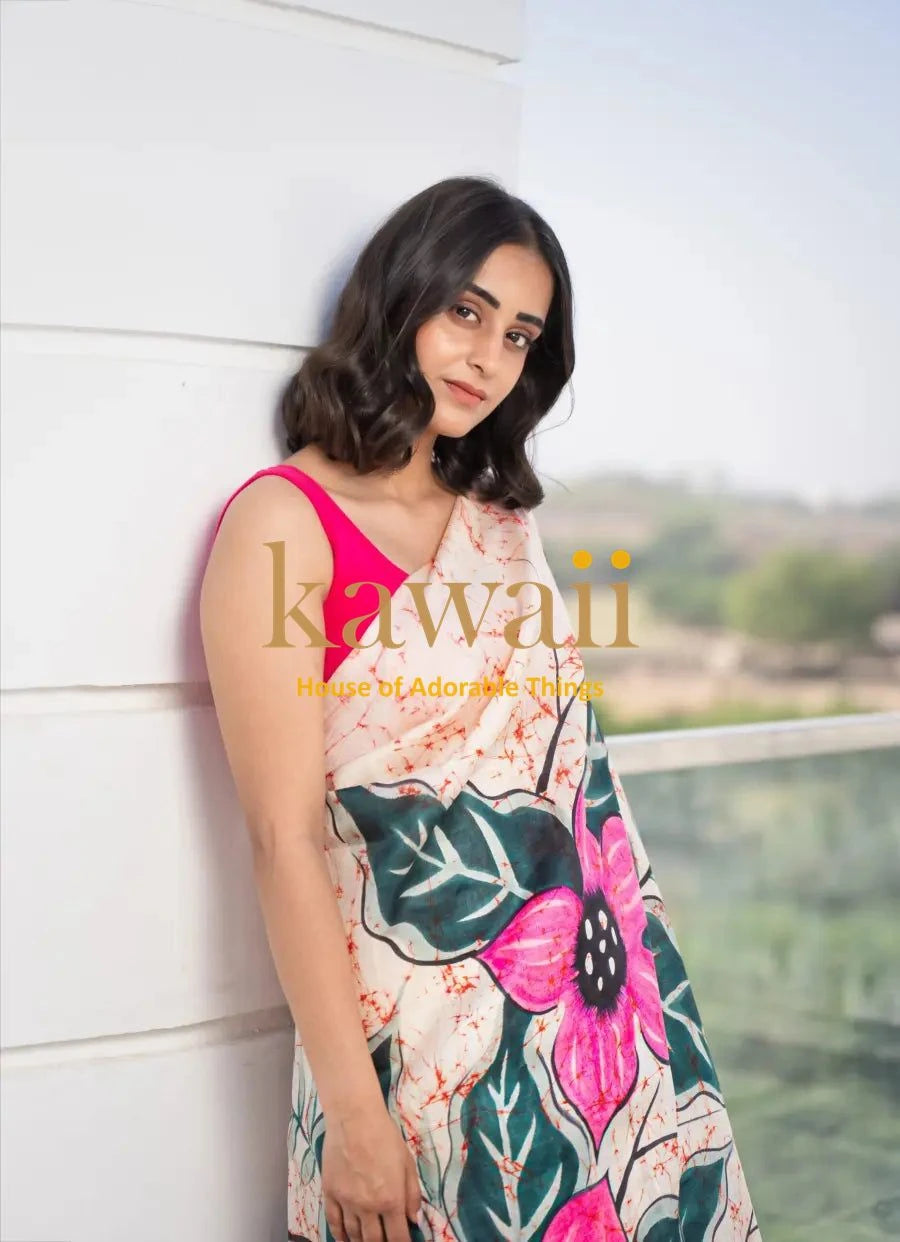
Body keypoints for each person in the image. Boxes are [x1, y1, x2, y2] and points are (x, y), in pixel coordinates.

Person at [200, 176, 759, 1242]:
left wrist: (659, 1048)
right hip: (412, 1053)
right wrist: (357, 1121)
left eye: (518, 333)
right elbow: (283, 839)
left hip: (600, 1035)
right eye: (465, 310)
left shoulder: (499, 524)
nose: (486, 355)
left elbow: (571, 792)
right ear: (400, 296)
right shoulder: (285, 525)